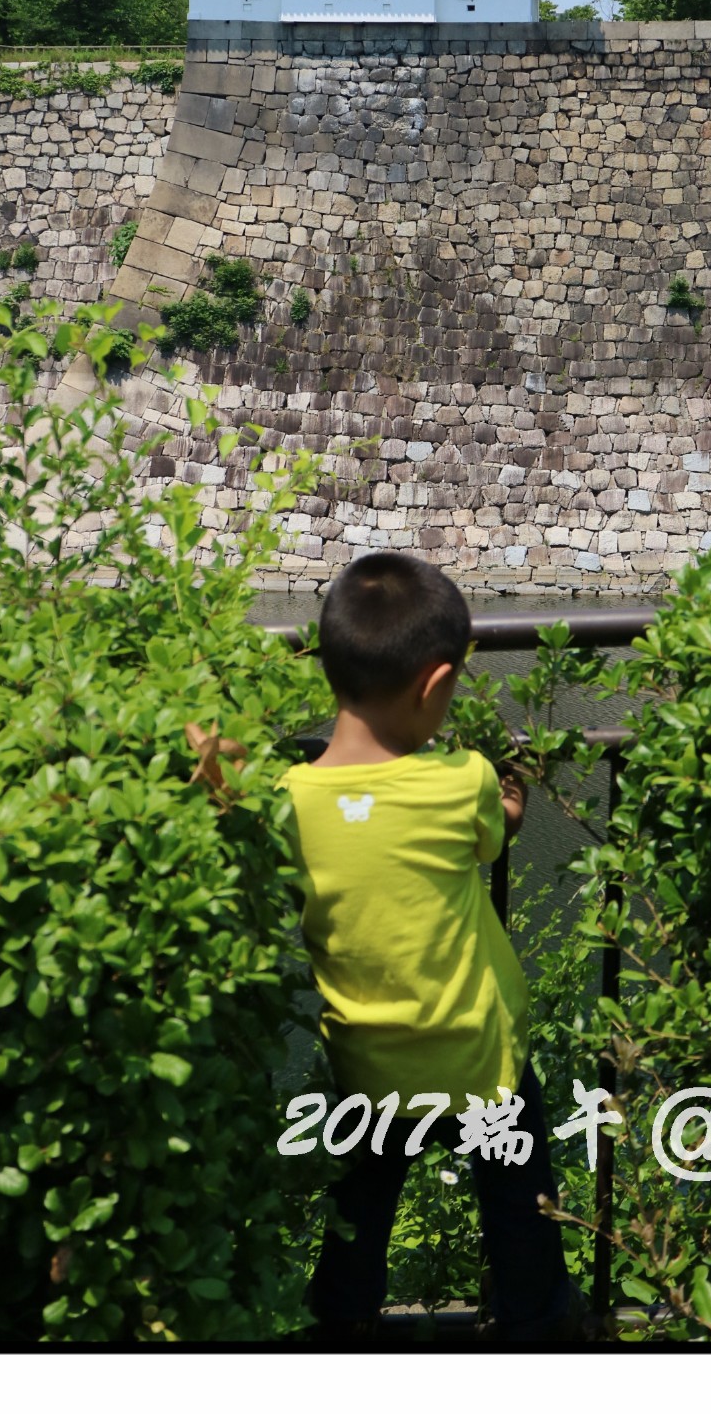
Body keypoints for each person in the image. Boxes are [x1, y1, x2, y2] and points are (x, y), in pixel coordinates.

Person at [280, 552, 581, 1344]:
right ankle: (536, 1342)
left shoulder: (288, 800)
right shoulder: (464, 781)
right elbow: (489, 838)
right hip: (480, 1063)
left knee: (357, 1224)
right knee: (522, 1224)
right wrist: (510, 813)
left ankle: (340, 1335)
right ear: (436, 683)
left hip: (366, 1064)